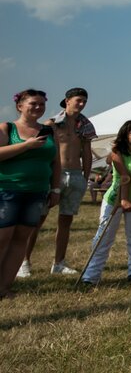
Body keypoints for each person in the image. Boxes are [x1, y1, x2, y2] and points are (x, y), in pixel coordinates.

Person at [21, 87, 97, 277]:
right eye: (78, 100)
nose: (81, 104)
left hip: (75, 175)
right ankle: (24, 261)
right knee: (38, 220)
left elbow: (86, 152)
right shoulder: (52, 124)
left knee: (66, 221)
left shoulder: (85, 125)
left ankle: (59, 263)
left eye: (84, 101)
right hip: (54, 174)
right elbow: (43, 150)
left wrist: (85, 176)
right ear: (67, 100)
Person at [81, 120, 131, 285]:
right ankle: (91, 275)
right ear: (125, 136)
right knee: (104, 236)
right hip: (116, 196)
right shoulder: (117, 150)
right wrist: (123, 199)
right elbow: (124, 177)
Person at [0, 89, 60, 298]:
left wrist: (55, 188)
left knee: (21, 238)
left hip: (37, 192)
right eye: (33, 103)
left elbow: (56, 162)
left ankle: (5, 286)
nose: (38, 107)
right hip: (7, 190)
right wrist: (26, 146)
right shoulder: (7, 128)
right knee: (3, 237)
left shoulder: (48, 131)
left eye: (42, 104)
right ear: (20, 106)